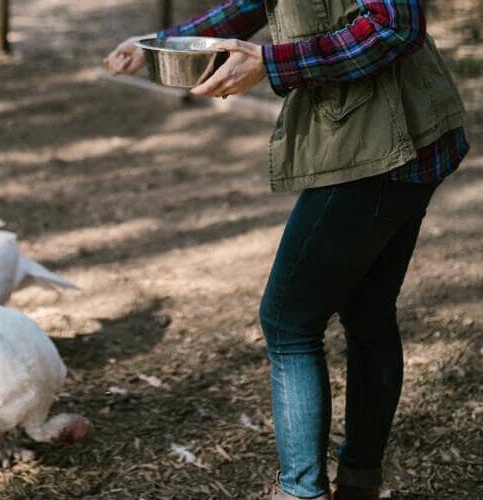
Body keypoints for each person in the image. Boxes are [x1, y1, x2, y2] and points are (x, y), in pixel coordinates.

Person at [103, 1, 469, 499]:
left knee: (288, 320)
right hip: (400, 138)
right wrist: (161, 44)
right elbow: (253, 3)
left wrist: (272, 63)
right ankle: (360, 483)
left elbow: (393, 27)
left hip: (382, 145)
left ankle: (300, 492)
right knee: (369, 314)